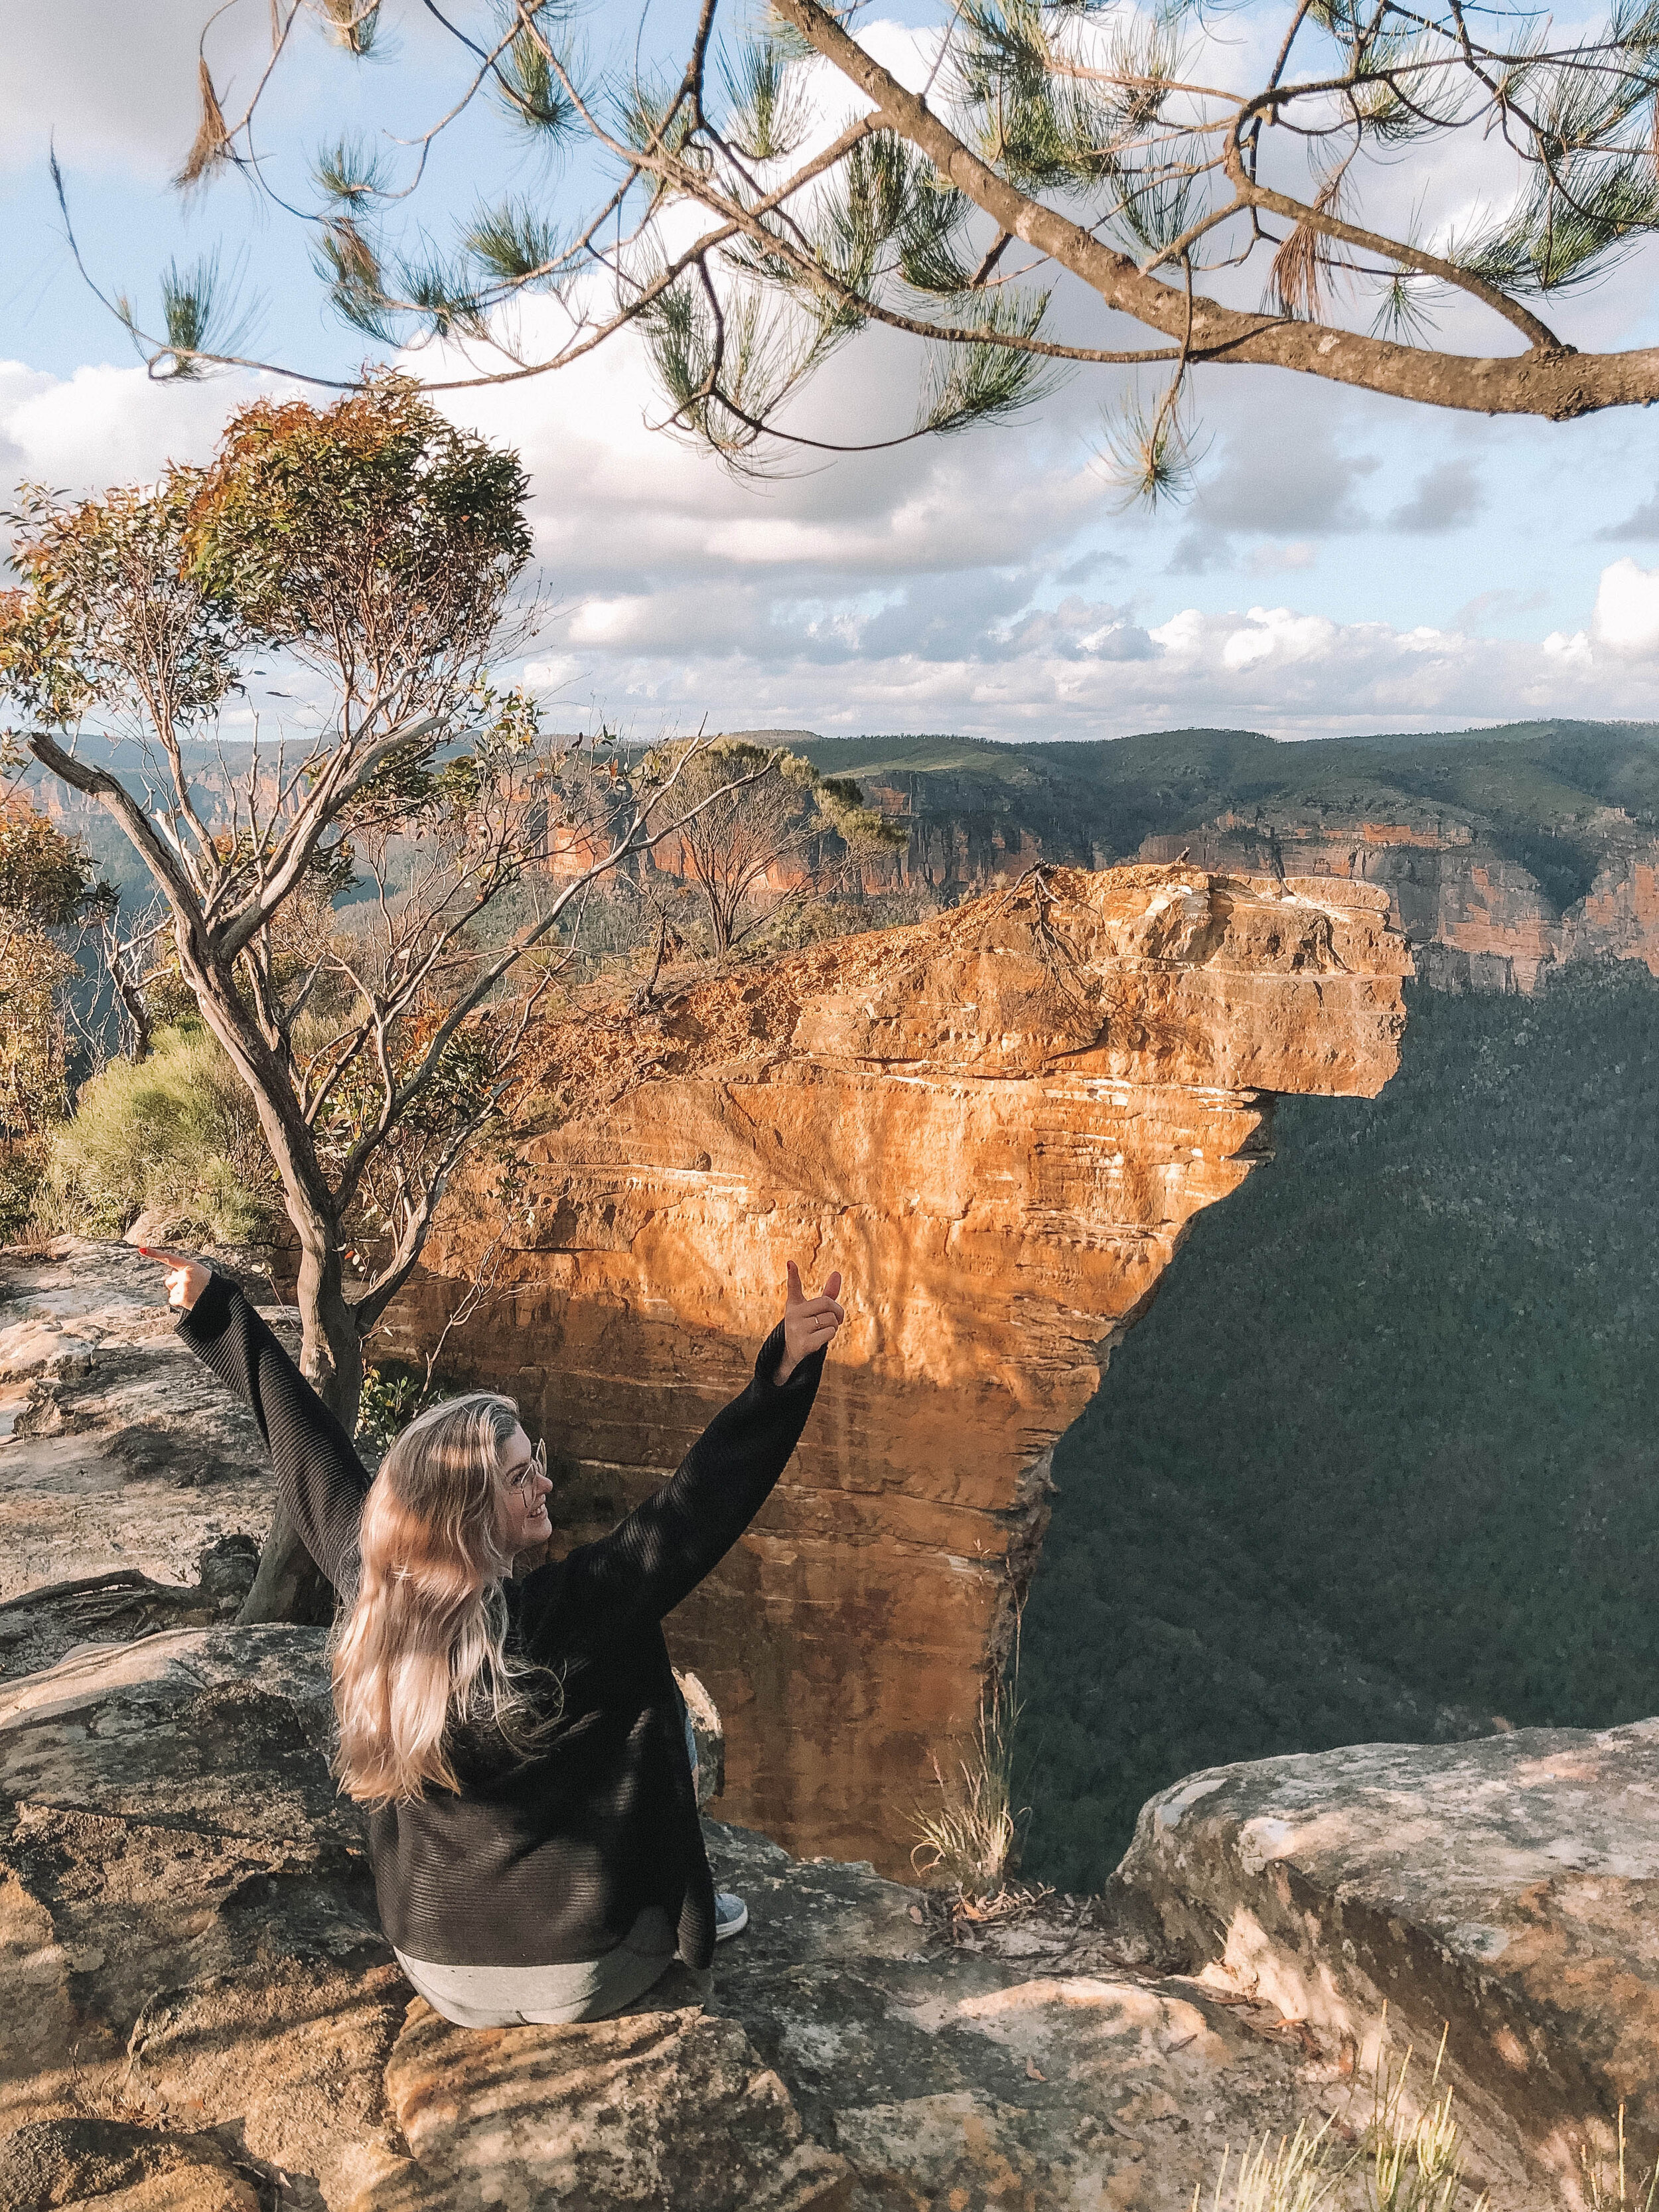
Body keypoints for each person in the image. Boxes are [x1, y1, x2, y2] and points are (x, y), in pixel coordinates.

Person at [154, 1247, 845, 2029]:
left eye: (534, 1462)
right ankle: (684, 1902)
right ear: (467, 1514)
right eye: (520, 1477)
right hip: (590, 1967)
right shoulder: (569, 1612)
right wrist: (782, 1373)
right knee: (645, 1659)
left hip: (435, 1967)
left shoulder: (380, 1596)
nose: (544, 1482)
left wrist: (215, 1311)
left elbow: (308, 1455)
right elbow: (698, 1506)